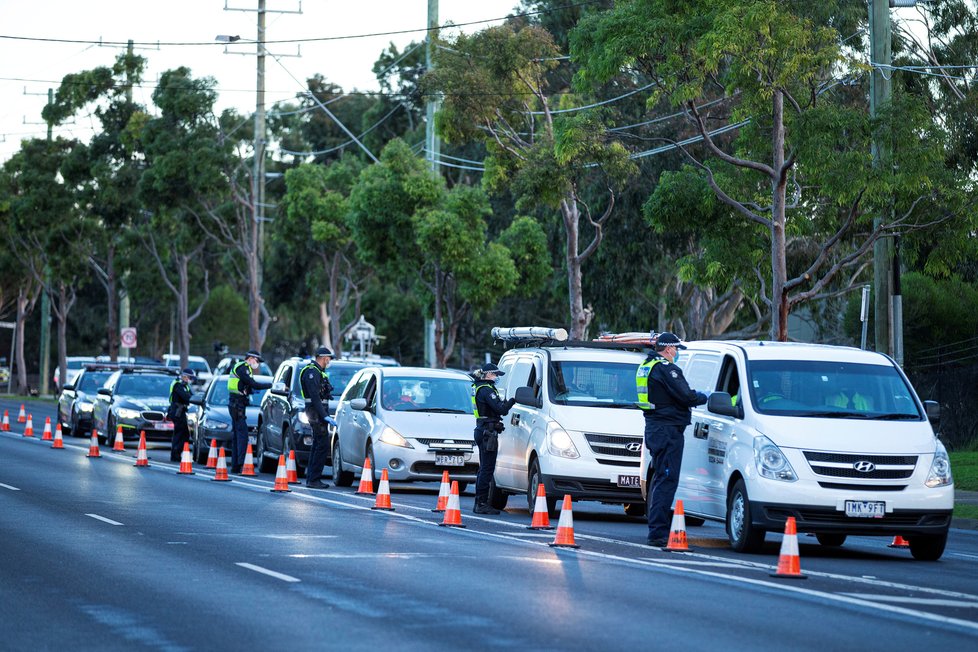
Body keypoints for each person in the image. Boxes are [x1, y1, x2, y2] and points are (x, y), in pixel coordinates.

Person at [636, 332, 708, 547]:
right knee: (667, 479)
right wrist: (706, 396)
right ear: (668, 349)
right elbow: (687, 397)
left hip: (656, 428)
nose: (676, 353)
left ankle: (657, 528)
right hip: (667, 430)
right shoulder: (667, 369)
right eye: (675, 349)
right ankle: (658, 533)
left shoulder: (646, 365)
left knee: (660, 478)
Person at [471, 362, 516, 515]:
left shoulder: (479, 387)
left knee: (484, 467)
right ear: (489, 374)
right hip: (487, 432)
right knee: (487, 469)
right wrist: (512, 401)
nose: (497, 377)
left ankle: (480, 502)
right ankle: (481, 503)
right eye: (496, 374)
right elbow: (501, 410)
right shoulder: (486, 390)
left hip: (483, 429)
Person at [228, 350, 272, 473]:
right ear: (251, 358)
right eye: (257, 361)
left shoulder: (240, 367)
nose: (257, 363)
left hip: (236, 404)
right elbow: (253, 384)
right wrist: (271, 385)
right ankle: (242, 465)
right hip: (237, 405)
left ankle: (235, 466)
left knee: (237, 435)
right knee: (242, 436)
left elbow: (245, 385)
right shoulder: (244, 368)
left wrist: (250, 390)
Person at [300, 346, 337, 489]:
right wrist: (325, 416)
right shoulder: (312, 372)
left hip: (317, 412)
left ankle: (312, 478)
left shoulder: (319, 372)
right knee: (321, 445)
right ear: (323, 357)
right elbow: (315, 397)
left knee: (317, 445)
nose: (329, 361)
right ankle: (314, 479)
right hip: (316, 413)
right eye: (328, 358)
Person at [167, 368, 195, 462]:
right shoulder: (178, 384)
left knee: (183, 433)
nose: (190, 380)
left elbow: (191, 395)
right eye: (189, 377)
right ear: (184, 376)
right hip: (177, 411)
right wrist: (192, 397)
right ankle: (175, 454)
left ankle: (177, 454)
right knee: (180, 433)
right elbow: (186, 397)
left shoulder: (184, 385)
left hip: (180, 411)